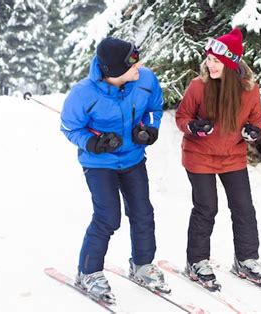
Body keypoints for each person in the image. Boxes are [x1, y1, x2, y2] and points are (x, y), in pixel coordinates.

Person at [60, 37, 169, 304]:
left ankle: (142, 264)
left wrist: (149, 130)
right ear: (113, 71)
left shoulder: (145, 80)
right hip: (99, 164)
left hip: (133, 158)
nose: (139, 66)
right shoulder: (83, 94)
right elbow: (69, 128)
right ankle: (88, 272)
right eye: (132, 62)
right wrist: (92, 143)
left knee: (143, 212)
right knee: (108, 217)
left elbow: (155, 108)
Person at [175, 28, 261, 291]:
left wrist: (253, 131)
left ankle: (246, 259)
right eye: (209, 59)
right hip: (200, 155)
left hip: (232, 155)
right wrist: (194, 127)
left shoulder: (249, 90)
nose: (210, 64)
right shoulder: (199, 86)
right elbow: (181, 118)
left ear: (231, 63)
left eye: (216, 61)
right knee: (206, 208)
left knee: (243, 208)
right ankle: (196, 261)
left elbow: (255, 121)